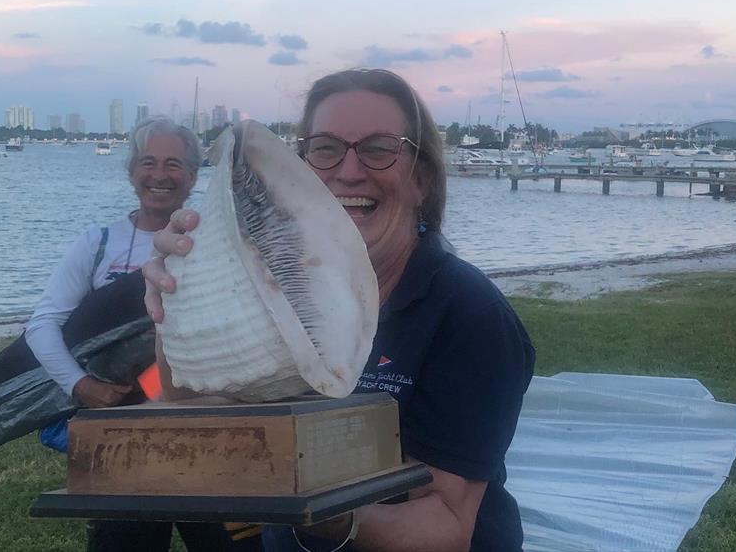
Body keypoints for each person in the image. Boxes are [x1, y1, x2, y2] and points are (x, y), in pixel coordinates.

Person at [145, 69, 535, 552]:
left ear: (422, 179)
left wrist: (323, 511)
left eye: (379, 148)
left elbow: (448, 526)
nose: (349, 172)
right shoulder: (277, 288)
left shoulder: (468, 313)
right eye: (326, 148)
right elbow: (187, 405)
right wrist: (175, 302)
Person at [25, 116, 234, 552]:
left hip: (211, 428)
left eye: (174, 164)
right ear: (131, 172)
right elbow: (42, 324)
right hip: (122, 436)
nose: (159, 175)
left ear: (194, 175)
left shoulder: (223, 244)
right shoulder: (98, 243)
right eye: (148, 162)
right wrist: (82, 386)